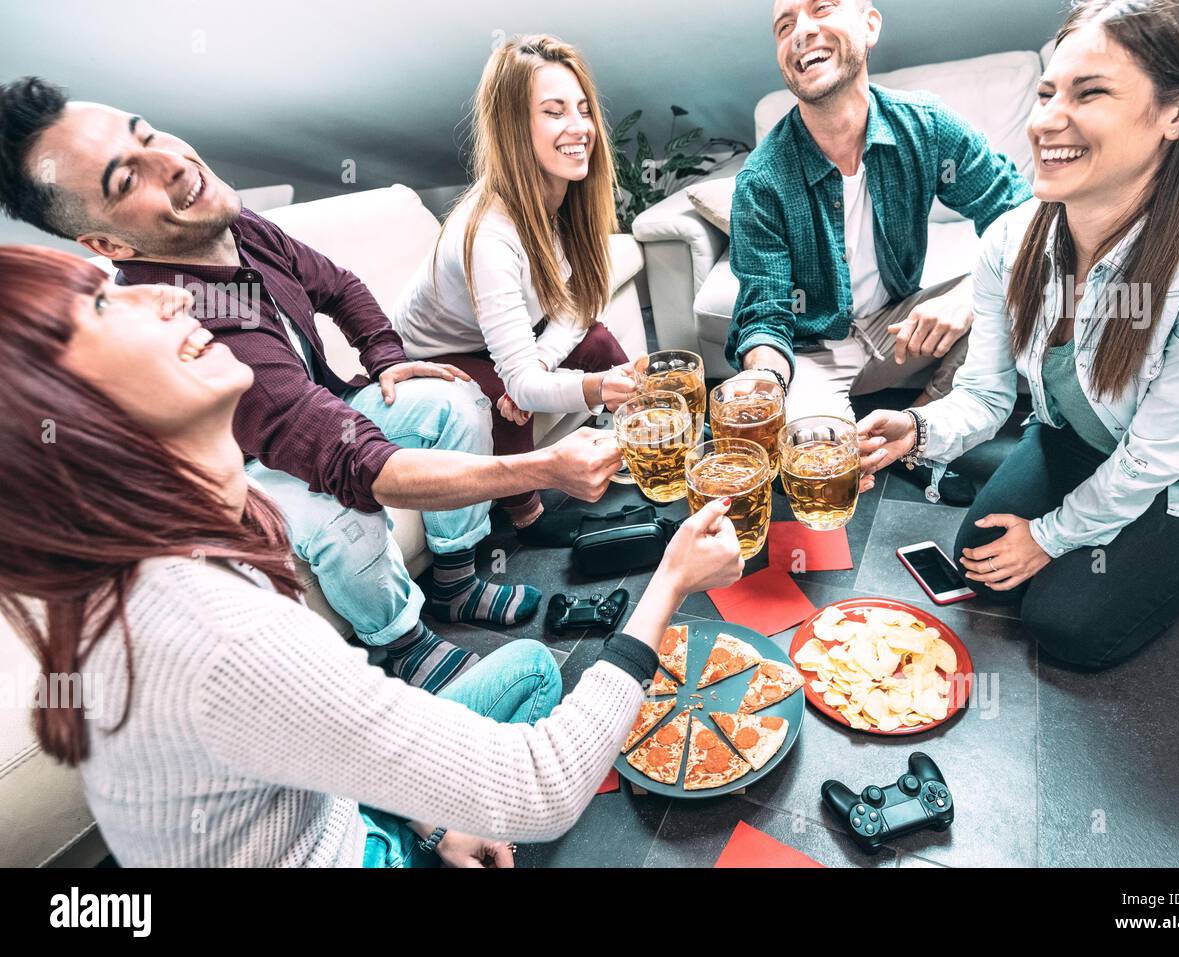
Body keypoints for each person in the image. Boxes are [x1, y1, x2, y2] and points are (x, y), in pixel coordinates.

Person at [0, 244, 745, 867]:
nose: (165, 297)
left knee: (533, 667)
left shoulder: (174, 542)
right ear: (64, 416)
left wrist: (432, 818)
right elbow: (545, 785)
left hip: (340, 809)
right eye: (104, 304)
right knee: (544, 765)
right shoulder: (215, 635)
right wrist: (671, 580)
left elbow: (311, 743)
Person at [0, 77, 621, 695]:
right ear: (106, 244)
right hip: (245, 472)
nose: (173, 161)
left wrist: (384, 358)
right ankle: (401, 641)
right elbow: (361, 468)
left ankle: (456, 581)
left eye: (146, 132)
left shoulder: (238, 225)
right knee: (340, 520)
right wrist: (544, 467)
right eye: (126, 179)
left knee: (456, 401)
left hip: (325, 405)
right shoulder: (185, 325)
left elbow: (339, 285)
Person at [856, 0, 1179, 671]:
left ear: (1176, 113)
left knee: (1065, 624)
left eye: (1089, 93)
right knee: (979, 554)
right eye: (1046, 93)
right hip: (1085, 439)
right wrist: (914, 432)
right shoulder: (1012, 238)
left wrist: (1050, 537)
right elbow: (983, 394)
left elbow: (1154, 457)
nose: (1046, 121)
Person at [724, 0, 1032, 504]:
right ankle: (869, 441)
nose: (801, 31)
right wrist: (763, 377)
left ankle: (917, 427)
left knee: (1014, 287)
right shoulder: (762, 180)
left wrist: (970, 300)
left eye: (821, 7)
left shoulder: (926, 127)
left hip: (899, 331)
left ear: (870, 26)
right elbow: (766, 310)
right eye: (784, 26)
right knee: (823, 472)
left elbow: (1018, 214)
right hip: (810, 353)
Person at [393, 35, 635, 532]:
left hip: (494, 338)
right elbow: (520, 384)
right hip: (433, 354)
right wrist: (592, 388)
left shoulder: (567, 196)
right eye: (553, 111)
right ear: (513, 129)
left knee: (599, 341)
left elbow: (577, 305)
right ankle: (526, 516)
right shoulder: (489, 234)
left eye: (583, 109)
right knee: (500, 400)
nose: (579, 127)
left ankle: (643, 444)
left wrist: (549, 360)